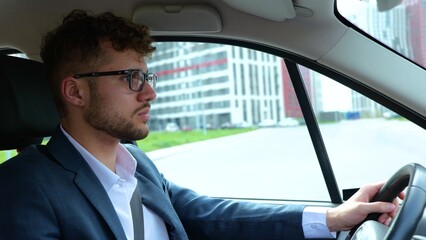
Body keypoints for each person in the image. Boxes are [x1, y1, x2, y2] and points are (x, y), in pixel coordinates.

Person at [0, 10, 403, 240]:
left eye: (147, 77)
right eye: (130, 78)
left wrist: (333, 218)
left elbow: (206, 214)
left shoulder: (137, 164)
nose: (149, 94)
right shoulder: (22, 187)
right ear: (75, 92)